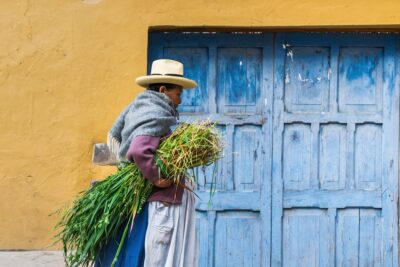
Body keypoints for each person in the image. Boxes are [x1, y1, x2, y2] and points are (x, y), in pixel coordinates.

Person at [95, 59, 198, 267]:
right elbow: (139, 149)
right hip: (160, 201)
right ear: (163, 90)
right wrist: (158, 178)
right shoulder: (155, 112)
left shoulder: (141, 109)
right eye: (178, 94)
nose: (179, 100)